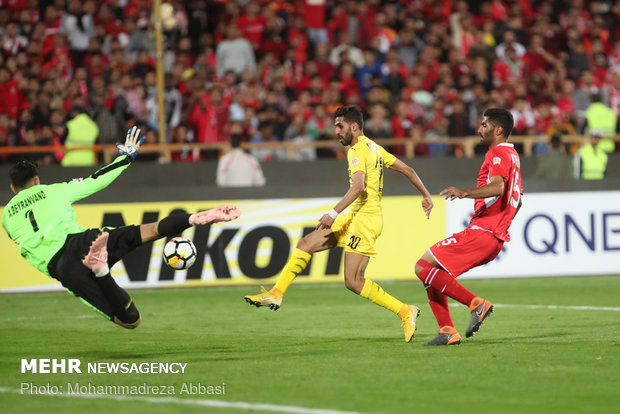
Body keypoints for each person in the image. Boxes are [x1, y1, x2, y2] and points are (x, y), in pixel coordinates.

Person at [2, 127, 241, 329]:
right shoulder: (52, 190)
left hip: (64, 268)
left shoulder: (6, 218)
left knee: (129, 320)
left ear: (13, 189)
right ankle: (193, 219)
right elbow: (97, 179)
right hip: (83, 241)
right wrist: (126, 157)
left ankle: (101, 271)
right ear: (36, 181)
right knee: (150, 230)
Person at [244, 105, 434, 343]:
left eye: (340, 126)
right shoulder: (374, 148)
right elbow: (408, 169)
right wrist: (426, 195)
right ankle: (276, 293)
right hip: (356, 216)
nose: (335, 131)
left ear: (354, 127)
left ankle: (405, 311)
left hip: (366, 220)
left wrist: (332, 213)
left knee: (353, 282)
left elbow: (358, 187)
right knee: (306, 243)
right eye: (335, 125)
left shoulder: (356, 150)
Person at [414, 108, 522, 346]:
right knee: (433, 273)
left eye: (484, 125)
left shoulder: (497, 154)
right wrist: (501, 223)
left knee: (422, 266)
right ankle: (447, 331)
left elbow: (497, 188)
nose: (479, 130)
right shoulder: (513, 156)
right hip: (493, 236)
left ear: (498, 130)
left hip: (483, 232)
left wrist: (464, 193)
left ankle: (476, 304)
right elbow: (518, 199)